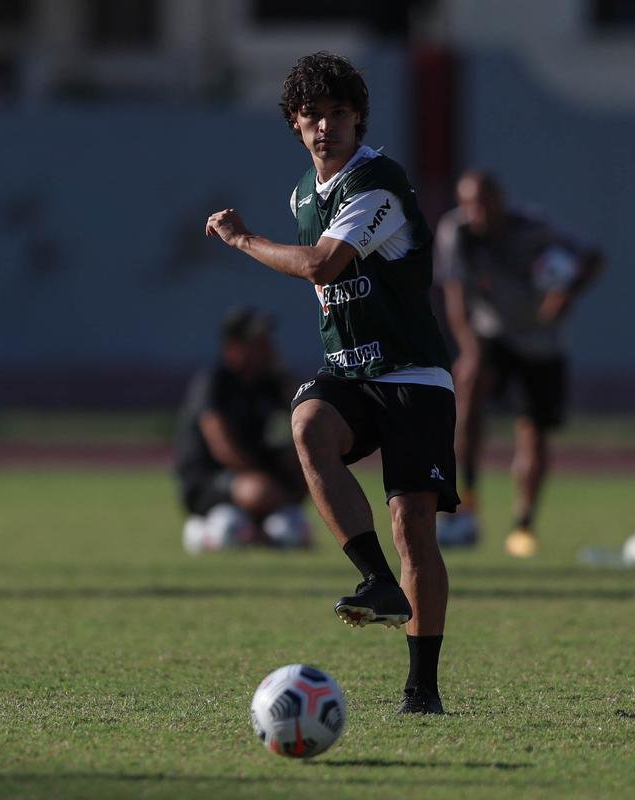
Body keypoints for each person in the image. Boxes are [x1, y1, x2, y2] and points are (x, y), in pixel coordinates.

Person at [205, 52, 459, 715]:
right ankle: (376, 580)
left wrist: (242, 241)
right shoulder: (303, 195)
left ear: (358, 118)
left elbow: (323, 266)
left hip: (412, 374)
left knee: (414, 528)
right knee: (308, 424)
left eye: (338, 113)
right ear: (295, 124)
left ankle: (422, 688)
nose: (325, 126)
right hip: (349, 370)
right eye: (312, 115)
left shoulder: (376, 183)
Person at [433, 170, 602, 557]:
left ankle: (524, 524)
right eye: (469, 203)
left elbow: (592, 258)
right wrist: (469, 348)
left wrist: (567, 292)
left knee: (532, 431)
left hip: (540, 340)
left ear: (500, 201)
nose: (476, 211)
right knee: (468, 386)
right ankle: (465, 500)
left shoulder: (534, 230)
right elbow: (455, 297)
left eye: (484, 202)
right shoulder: (455, 232)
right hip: (493, 331)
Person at [175, 306, 311, 552]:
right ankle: (217, 530)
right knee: (259, 491)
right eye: (259, 342)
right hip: (209, 478)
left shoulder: (269, 383)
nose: (269, 346)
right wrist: (264, 480)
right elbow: (222, 446)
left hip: (253, 471)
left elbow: (301, 416)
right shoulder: (214, 383)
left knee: (305, 470)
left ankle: (258, 529)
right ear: (234, 348)